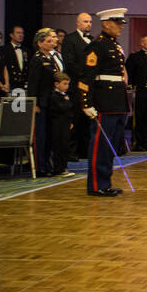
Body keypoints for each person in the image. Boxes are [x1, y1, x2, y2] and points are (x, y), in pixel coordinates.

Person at [77, 8, 130, 197]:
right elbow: (86, 78)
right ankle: (96, 184)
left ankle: (105, 182)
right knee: (100, 144)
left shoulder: (115, 46)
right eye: (118, 23)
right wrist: (86, 103)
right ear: (106, 24)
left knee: (110, 146)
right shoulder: (97, 46)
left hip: (116, 101)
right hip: (103, 102)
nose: (121, 27)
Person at [28, 29, 60, 176]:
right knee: (40, 136)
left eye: (52, 40)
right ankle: (40, 167)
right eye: (48, 41)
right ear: (40, 43)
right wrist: (34, 103)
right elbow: (34, 83)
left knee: (49, 136)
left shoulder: (50, 58)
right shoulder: (37, 59)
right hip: (41, 102)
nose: (52, 43)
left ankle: (48, 164)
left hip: (51, 102)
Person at [62, 12, 94, 159]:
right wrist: (84, 75)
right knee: (76, 119)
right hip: (76, 85)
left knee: (88, 119)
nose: (88, 24)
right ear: (78, 23)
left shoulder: (92, 40)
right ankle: (72, 151)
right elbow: (69, 62)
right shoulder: (70, 39)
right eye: (85, 21)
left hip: (90, 86)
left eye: (90, 22)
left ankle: (85, 150)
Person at [47, 72, 74, 178]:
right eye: (64, 84)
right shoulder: (54, 96)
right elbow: (61, 108)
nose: (66, 86)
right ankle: (58, 169)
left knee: (65, 146)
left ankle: (64, 167)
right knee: (58, 147)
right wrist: (66, 103)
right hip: (57, 125)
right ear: (56, 84)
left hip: (65, 124)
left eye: (67, 84)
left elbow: (70, 109)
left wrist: (71, 121)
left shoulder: (65, 96)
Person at [0, 25, 30, 91]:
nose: (21, 35)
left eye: (22, 33)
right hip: (10, 84)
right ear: (11, 35)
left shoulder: (26, 50)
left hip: (23, 84)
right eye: (18, 33)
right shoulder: (4, 49)